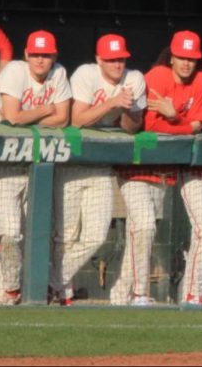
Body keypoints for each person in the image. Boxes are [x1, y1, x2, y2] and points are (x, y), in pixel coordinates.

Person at [70, 34, 149, 306]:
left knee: (94, 236)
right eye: (112, 59)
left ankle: (52, 282)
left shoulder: (134, 78)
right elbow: (77, 119)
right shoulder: (86, 74)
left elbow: (132, 128)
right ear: (99, 60)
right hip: (73, 163)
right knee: (65, 236)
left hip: (103, 166)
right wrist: (112, 102)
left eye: (121, 59)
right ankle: (59, 289)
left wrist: (127, 108)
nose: (118, 64)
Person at [0, 30, 71, 305]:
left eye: (46, 55)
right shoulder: (16, 71)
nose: (40, 60)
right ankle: (10, 287)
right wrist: (47, 109)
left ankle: (11, 291)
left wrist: (34, 116)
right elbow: (13, 117)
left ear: (54, 56)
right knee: (11, 231)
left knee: (30, 234)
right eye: (36, 54)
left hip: (37, 163)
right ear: (26, 55)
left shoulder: (58, 72)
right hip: (5, 162)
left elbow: (63, 119)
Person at [142, 31, 202, 305]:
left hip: (175, 168)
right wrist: (184, 124)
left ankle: (193, 293)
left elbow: (200, 125)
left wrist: (173, 116)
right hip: (145, 165)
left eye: (191, 59)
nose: (186, 63)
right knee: (142, 231)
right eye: (181, 58)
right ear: (171, 58)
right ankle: (129, 295)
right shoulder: (157, 77)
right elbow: (149, 126)